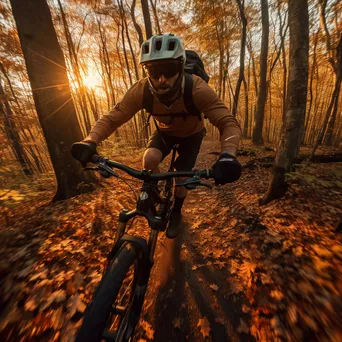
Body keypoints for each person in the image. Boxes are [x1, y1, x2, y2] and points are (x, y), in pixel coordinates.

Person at [73, 33, 242, 239]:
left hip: (192, 135)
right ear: (147, 71)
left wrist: (228, 155)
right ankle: (152, 190)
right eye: (154, 71)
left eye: (169, 70)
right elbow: (112, 118)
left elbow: (228, 123)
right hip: (164, 132)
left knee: (182, 177)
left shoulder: (197, 88)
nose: (161, 79)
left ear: (180, 68)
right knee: (149, 159)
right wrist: (91, 140)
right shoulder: (142, 90)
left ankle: (177, 212)